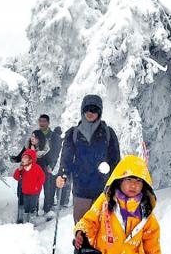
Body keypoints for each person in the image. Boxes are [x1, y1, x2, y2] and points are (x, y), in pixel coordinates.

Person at [56, 94, 121, 223]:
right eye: (87, 109)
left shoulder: (108, 133)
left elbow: (115, 161)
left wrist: (116, 183)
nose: (90, 113)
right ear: (82, 110)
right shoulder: (73, 133)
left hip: (103, 190)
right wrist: (62, 174)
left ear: (100, 112)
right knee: (82, 228)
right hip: (81, 190)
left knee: (103, 229)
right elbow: (66, 158)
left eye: (94, 109)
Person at [36, 114, 62, 217]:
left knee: (49, 190)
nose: (42, 123)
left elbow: (56, 152)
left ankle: (48, 211)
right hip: (37, 166)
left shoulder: (54, 136)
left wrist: (52, 165)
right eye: (40, 121)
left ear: (48, 123)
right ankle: (35, 211)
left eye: (44, 121)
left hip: (48, 167)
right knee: (35, 190)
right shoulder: (36, 134)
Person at [12, 149, 45, 223]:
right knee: (26, 207)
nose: (23, 159)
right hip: (26, 192)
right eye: (23, 158)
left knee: (33, 207)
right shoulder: (22, 168)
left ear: (31, 159)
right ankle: (26, 221)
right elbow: (16, 177)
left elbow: (42, 178)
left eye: (26, 158)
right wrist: (19, 170)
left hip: (35, 192)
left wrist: (37, 186)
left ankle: (32, 221)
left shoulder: (37, 168)